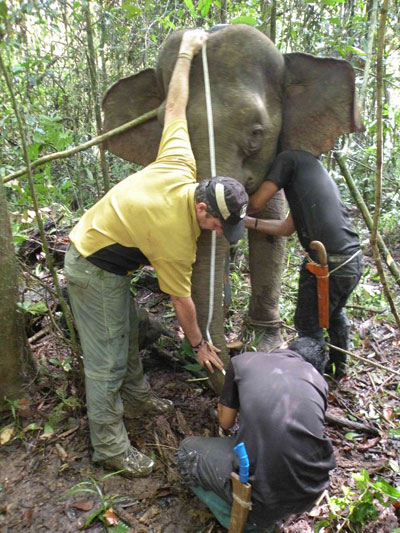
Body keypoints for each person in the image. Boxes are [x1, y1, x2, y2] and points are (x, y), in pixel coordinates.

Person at [64, 29, 249, 479]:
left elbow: (174, 107)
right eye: (217, 224)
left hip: (105, 259)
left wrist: (186, 53)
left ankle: (139, 398)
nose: (217, 233)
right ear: (203, 207)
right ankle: (110, 446)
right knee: (106, 359)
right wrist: (199, 344)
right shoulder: (174, 235)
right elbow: (181, 300)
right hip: (91, 267)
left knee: (124, 335)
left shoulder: (180, 163)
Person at [176, 337, 336, 532]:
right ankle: (271, 513)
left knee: (186, 451)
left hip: (263, 492)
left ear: (286, 347)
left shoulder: (244, 361)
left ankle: (250, 524)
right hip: (310, 489)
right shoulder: (318, 382)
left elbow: (226, 422)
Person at [245, 149, 363, 377]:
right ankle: (338, 370)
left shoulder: (287, 159)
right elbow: (286, 228)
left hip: (327, 265)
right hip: (352, 261)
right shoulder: (310, 172)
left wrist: (230, 209)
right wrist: (247, 223)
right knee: (334, 313)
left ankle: (309, 384)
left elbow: (256, 203)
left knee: (309, 328)